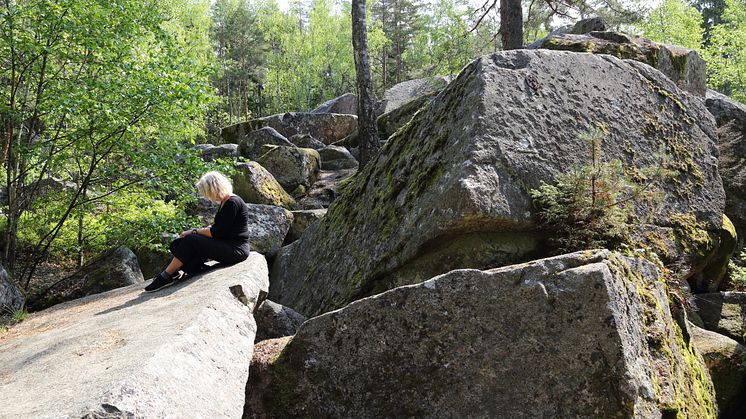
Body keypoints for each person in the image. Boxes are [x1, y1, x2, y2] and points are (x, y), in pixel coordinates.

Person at [145, 171, 251, 292]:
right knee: (177, 244)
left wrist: (194, 231)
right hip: (226, 244)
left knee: (190, 239)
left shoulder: (232, 203)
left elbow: (217, 233)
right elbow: (220, 226)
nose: (208, 197)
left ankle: (166, 275)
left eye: (208, 192)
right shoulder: (225, 202)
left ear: (215, 188)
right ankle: (188, 270)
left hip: (236, 249)